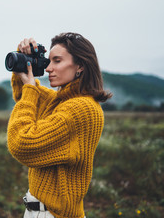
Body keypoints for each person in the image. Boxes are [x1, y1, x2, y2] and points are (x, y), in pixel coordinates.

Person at [7, 32, 112, 218]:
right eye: (48, 61)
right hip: (38, 211)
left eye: (57, 61)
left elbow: (22, 143)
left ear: (80, 66)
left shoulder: (81, 109)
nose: (48, 68)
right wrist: (24, 62)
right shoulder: (62, 102)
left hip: (53, 214)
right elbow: (26, 99)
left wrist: (30, 88)